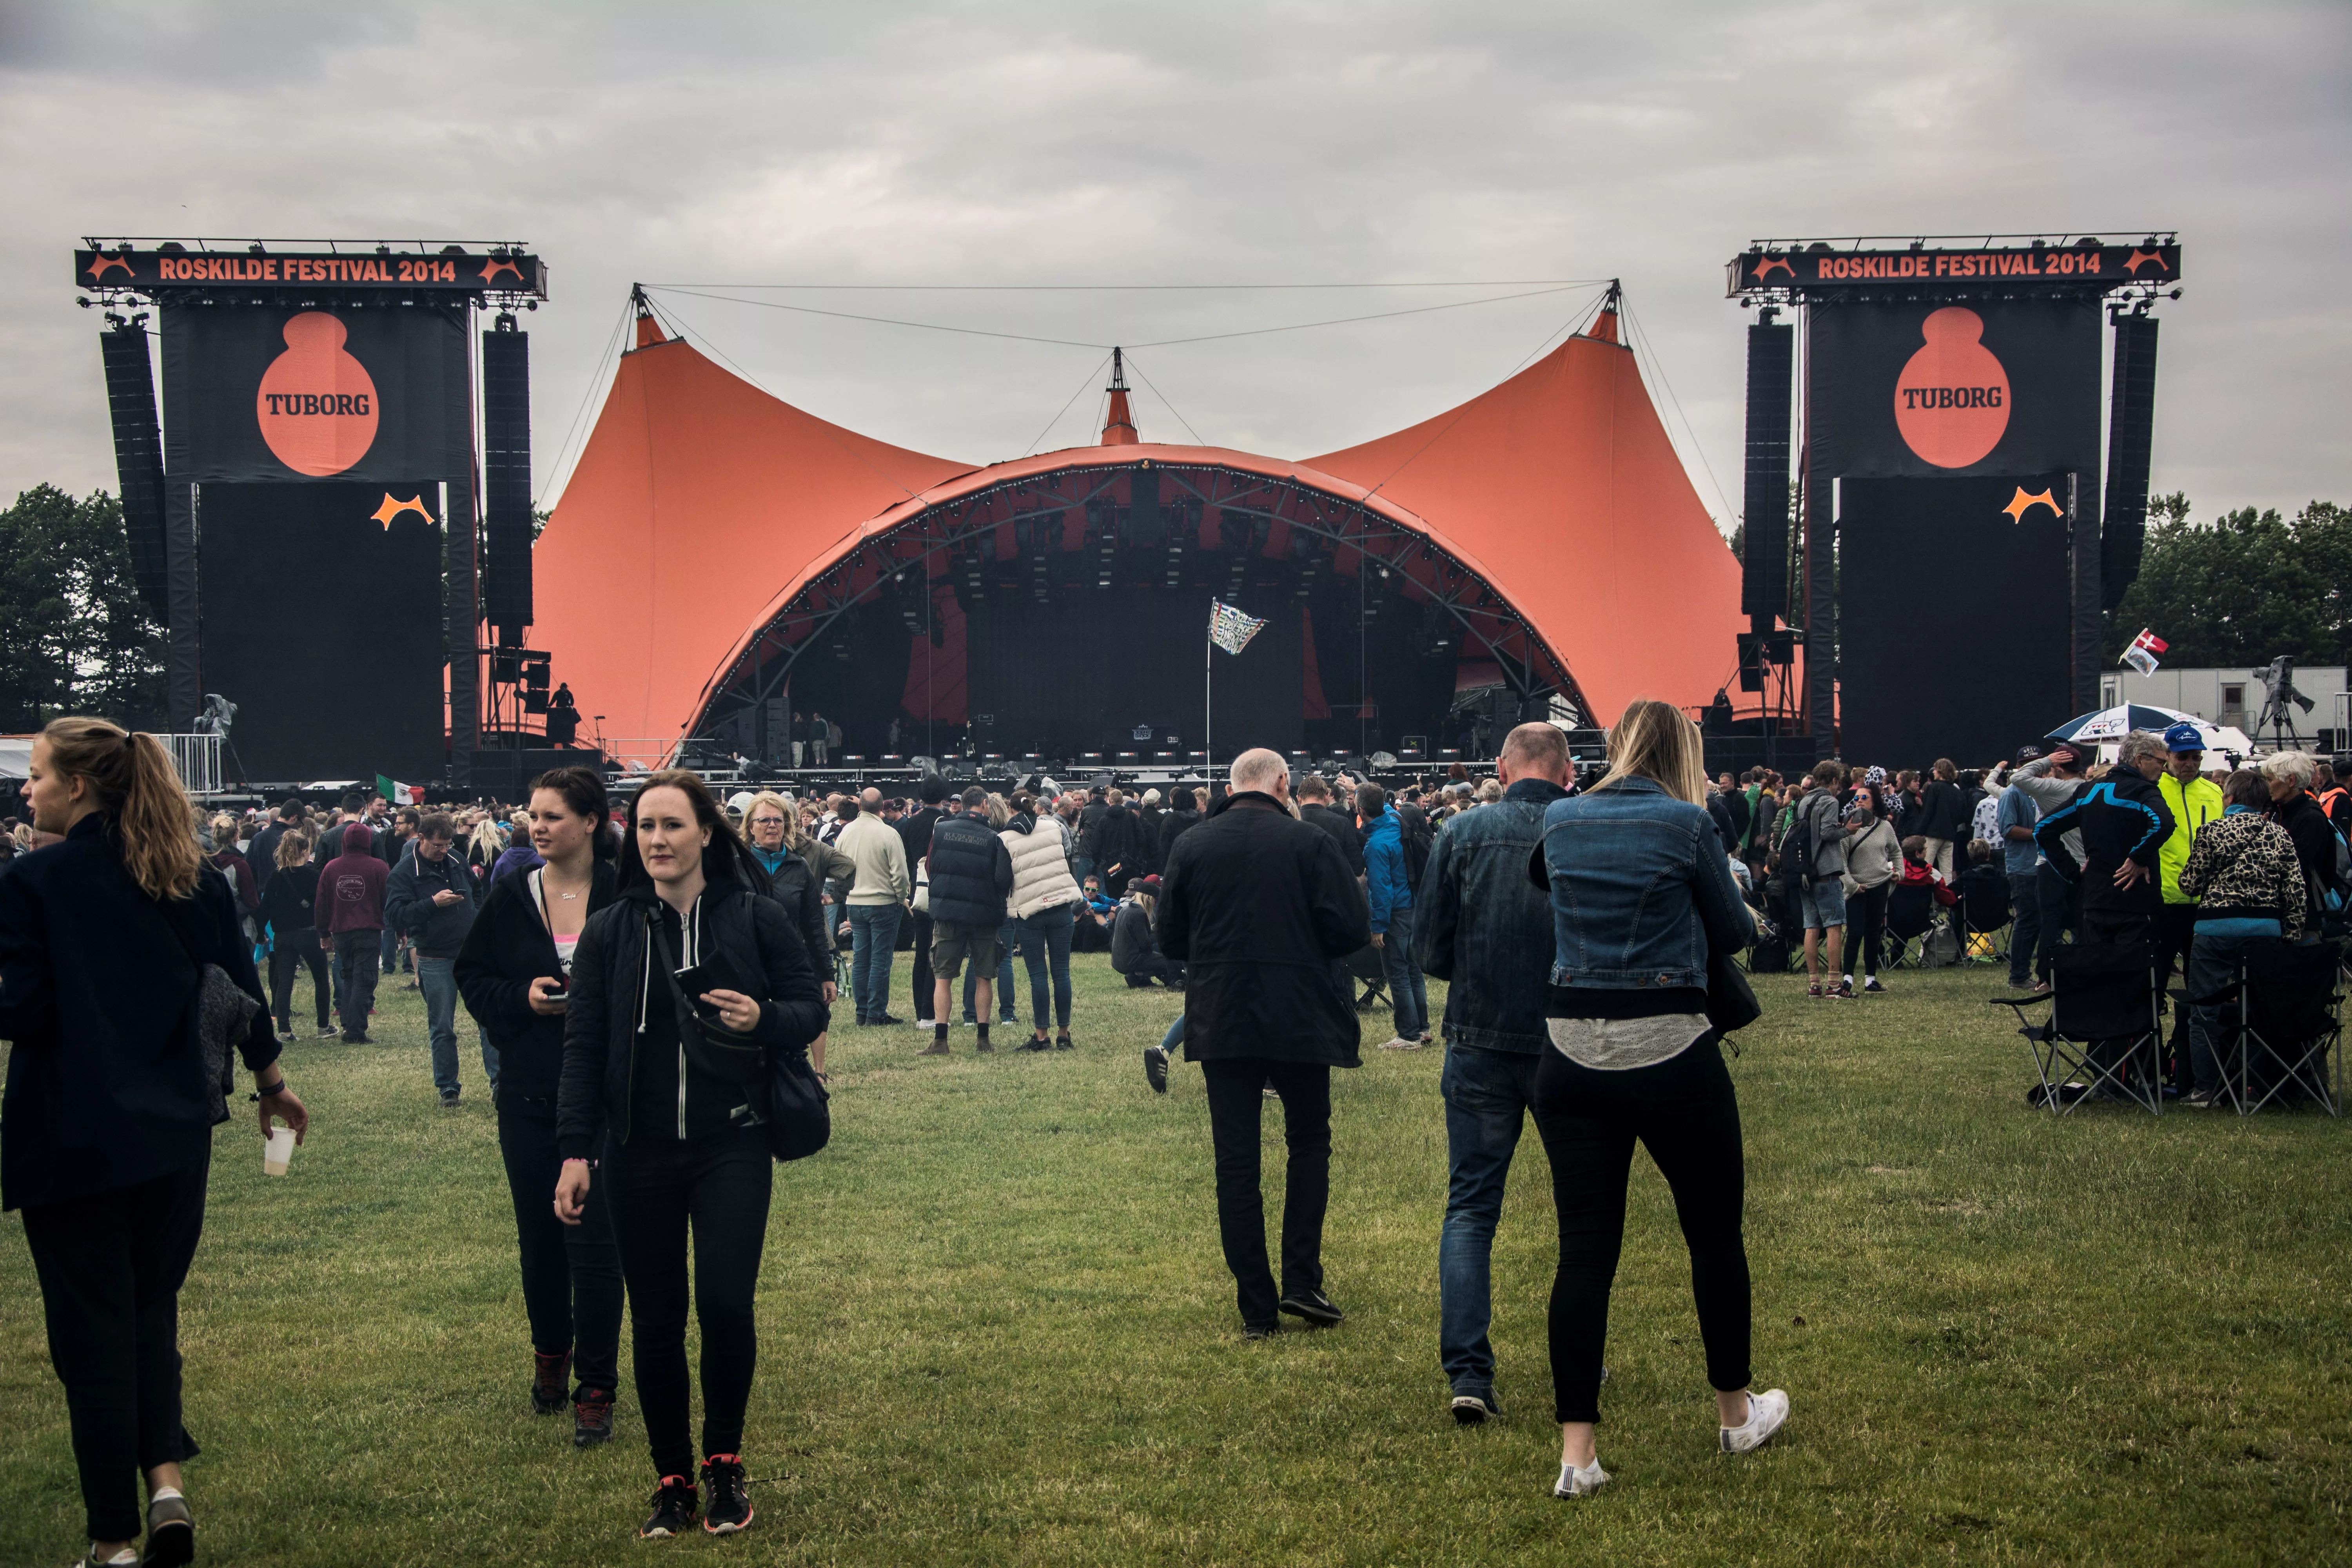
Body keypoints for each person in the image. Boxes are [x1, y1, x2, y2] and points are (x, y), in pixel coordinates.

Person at [2, 717, 309, 1568]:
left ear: (78, 786)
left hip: (71, 1142)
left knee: (90, 1337)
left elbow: (20, 1010)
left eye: (35, 774)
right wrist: (272, 1085)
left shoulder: (37, 880)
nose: (26, 790)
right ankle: (166, 1482)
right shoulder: (193, 879)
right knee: (148, 1312)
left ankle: (113, 1538)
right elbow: (244, 991)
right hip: (176, 1139)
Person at [554, 770, 826, 1539]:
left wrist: (762, 1016)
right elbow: (583, 1044)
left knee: (727, 1305)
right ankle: (672, 1478)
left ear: (708, 831)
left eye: (672, 825)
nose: (658, 840)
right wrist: (576, 1149)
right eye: (644, 827)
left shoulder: (754, 914)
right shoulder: (613, 928)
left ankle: (725, 1464)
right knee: (659, 1318)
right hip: (637, 1150)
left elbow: (807, 1004)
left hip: (731, 1141)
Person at [1527, 699, 1780, 1500]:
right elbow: (1734, 930)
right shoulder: (1686, 819)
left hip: (1570, 1050)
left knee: (1584, 1252)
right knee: (1713, 1234)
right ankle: (1736, 1413)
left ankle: (1578, 1454)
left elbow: (1545, 886)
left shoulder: (1563, 816)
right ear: (1685, 751)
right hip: (1670, 1044)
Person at [1158, 748, 1370, 1338]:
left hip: (1223, 1014)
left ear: (1230, 787)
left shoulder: (1193, 846)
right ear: (1284, 785)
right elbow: (1351, 929)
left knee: (1237, 1162)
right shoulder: (1310, 844)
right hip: (1300, 1013)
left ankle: (1257, 1306)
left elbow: (1170, 937)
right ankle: (1301, 1279)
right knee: (1308, 1142)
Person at [456, 766, 628, 1447]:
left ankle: (598, 1385)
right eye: (533, 814)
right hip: (530, 1093)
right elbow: (475, 975)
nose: (538, 826)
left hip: (609, 1099)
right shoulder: (512, 893)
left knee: (596, 1241)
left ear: (590, 821)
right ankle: (550, 1353)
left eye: (552, 815)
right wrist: (521, 1002)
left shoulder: (626, 894)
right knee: (541, 1236)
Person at [1413, 721, 1573, 1425]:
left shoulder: (1462, 833)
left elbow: (1430, 947)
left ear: (1502, 771)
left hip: (1478, 1040)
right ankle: (1580, 1352)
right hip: (1566, 1043)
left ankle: (1470, 1373)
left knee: (1472, 1209)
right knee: (1582, 1210)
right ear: (1568, 774)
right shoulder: (1580, 828)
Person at [2175, 769, 2307, 1106]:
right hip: (2265, 931)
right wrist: (2290, 934)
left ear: (2229, 798)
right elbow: (2295, 890)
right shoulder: (2279, 834)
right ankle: (2251, 1087)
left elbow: (2190, 884)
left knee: (2205, 1010)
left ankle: (2205, 1088)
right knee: (2257, 1010)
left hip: (2215, 929)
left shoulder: (2212, 831)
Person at [2033, 731, 2175, 946]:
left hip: (2094, 900)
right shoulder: (2143, 791)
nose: (2165, 769)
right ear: (2140, 760)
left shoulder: (2087, 791)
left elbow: (2043, 830)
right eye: (2161, 762)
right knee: (2136, 974)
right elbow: (2164, 823)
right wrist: (2138, 858)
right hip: (2136, 902)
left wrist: (2073, 873)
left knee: (2099, 972)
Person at [742, 790, 848, 1074]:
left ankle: (802, 1075)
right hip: (747, 961)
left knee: (793, 1024)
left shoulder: (799, 867)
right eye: (764, 820)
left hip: (790, 961)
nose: (772, 826)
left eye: (778, 820)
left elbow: (814, 925)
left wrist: (826, 975)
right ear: (751, 826)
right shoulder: (736, 865)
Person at [385, 812, 486, 1107]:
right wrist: (433, 904)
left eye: (447, 845)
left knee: (488, 1021)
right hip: (434, 956)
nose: (443, 852)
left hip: (470, 952)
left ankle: (499, 1083)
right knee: (442, 1026)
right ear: (421, 839)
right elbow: (395, 915)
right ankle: (448, 1088)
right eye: (438, 846)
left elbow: (477, 890)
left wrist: (475, 916)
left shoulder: (456, 860)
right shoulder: (404, 873)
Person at [2152, 723, 2225, 1081]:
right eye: (2183, 757)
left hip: (2205, 901)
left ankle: (2197, 1068)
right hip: (2165, 899)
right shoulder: (2153, 789)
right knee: (2155, 984)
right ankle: (2149, 1063)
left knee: (2204, 988)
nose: (2190, 763)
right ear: (2167, 757)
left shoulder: (2213, 791)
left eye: (2196, 757)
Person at [922, 786, 1014, 1055]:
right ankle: (983, 1040)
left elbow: (929, 866)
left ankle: (940, 1040)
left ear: (962, 805)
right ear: (985, 805)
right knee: (984, 976)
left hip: (948, 912)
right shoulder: (993, 837)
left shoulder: (940, 831)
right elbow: (1002, 879)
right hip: (984, 915)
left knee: (943, 977)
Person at [1002, 789, 1083, 1051]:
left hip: (1030, 909)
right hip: (1060, 904)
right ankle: (1064, 1034)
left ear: (1011, 810)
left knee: (1038, 974)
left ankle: (1041, 1036)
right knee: (1062, 972)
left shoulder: (1004, 838)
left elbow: (1003, 878)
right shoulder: (1053, 828)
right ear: (1036, 807)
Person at [1359, 782, 1430, 1049]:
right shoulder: (1394, 820)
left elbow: (1381, 890)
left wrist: (1378, 926)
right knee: (1413, 971)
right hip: (1412, 905)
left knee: (1397, 973)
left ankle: (1408, 1034)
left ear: (1361, 810)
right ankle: (1422, 1029)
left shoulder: (1376, 845)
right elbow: (1379, 803)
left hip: (1395, 913)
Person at [835, 795, 912, 1026]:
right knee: (880, 959)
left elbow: (837, 868)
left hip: (854, 902)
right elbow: (900, 874)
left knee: (861, 958)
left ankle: (862, 1012)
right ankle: (876, 1013)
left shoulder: (845, 833)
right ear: (882, 808)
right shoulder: (889, 833)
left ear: (860, 806)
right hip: (883, 902)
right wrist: (901, 897)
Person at [316, 819, 389, 1042]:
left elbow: (322, 903)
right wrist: (400, 930)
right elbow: (389, 901)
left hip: (341, 931)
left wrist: (323, 933)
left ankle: (348, 1021)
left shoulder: (332, 867)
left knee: (349, 976)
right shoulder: (378, 866)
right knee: (364, 979)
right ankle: (356, 1031)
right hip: (368, 930)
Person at [259, 828, 332, 1040]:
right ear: (304, 850)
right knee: (320, 979)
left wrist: (260, 934)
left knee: (284, 982)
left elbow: (264, 907)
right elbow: (322, 907)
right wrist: (326, 933)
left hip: (282, 935)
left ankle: (284, 1029)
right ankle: (323, 1026)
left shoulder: (275, 876)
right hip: (309, 933)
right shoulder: (313, 876)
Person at [1785, 760, 1850, 999]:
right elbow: (1828, 833)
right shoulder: (1830, 801)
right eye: (1839, 783)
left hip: (1804, 872)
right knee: (1834, 926)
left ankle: (1815, 984)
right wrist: (1848, 830)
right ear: (1834, 781)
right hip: (1825, 872)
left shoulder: (1803, 801)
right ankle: (1834, 985)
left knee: (1811, 926)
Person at [2262, 751, 2344, 941]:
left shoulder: (2311, 817)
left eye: (2270, 779)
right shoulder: (2275, 810)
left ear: (2291, 781)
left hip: (2303, 917)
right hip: (2275, 911)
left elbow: (2293, 866)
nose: (2267, 786)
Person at [897, 775, 950, 1025]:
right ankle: (930, 1014)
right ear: (944, 796)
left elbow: (908, 858)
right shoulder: (947, 822)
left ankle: (921, 1011)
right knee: (936, 953)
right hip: (940, 892)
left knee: (921, 953)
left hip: (917, 892)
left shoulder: (910, 824)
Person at [1841, 787, 1901, 994]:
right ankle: (1847, 979)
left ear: (1874, 801)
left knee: (1873, 933)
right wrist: (1851, 884)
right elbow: (1840, 859)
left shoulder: (1885, 827)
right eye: (1856, 798)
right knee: (1855, 932)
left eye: (1864, 797)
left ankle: (1870, 980)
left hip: (1880, 885)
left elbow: (1896, 851)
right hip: (1857, 888)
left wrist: (1899, 872)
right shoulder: (1848, 828)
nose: (1859, 801)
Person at [1995, 750, 2045, 990]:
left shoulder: (2039, 792)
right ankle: (2018, 976)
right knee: (2027, 920)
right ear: (2018, 767)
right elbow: (2008, 829)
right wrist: (2041, 833)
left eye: (2036, 763)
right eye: (2027, 764)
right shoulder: (2012, 793)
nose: (2033, 767)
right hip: (2022, 867)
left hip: (2040, 864)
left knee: (2037, 920)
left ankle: (2030, 972)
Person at [1111, 874, 1181, 989]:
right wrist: (1161, 931)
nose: (1155, 904)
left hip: (1119, 961)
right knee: (1170, 960)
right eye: (1156, 900)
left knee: (1156, 958)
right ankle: (1176, 983)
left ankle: (1139, 978)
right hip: (1131, 961)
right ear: (1150, 899)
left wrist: (1155, 928)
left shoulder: (1127, 910)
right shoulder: (1139, 914)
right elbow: (1145, 943)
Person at [1296, 773, 1366, 879]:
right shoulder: (1342, 823)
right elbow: (1357, 868)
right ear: (1327, 796)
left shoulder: (1288, 823)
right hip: (1335, 892)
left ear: (1299, 798)